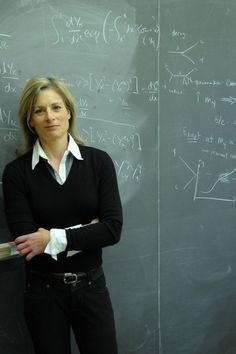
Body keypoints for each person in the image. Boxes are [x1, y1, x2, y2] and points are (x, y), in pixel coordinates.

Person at [2, 76, 123, 354]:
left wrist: (52, 238)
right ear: (30, 120)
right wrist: (87, 231)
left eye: (56, 107)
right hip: (42, 293)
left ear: (69, 111)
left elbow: (112, 230)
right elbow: (27, 244)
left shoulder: (99, 162)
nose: (49, 117)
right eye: (39, 110)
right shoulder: (16, 174)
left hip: (92, 287)